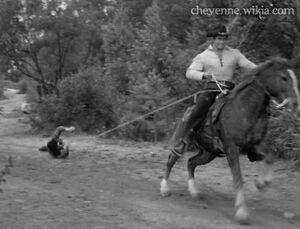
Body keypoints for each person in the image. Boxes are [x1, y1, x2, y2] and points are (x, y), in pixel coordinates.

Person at [171, 23, 259, 159]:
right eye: (218, 39)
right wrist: (203, 75)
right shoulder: (203, 56)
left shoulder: (235, 54)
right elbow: (189, 72)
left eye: (224, 39)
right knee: (199, 109)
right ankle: (185, 140)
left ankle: (251, 146)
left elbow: (248, 65)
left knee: (250, 107)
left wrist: (262, 70)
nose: (221, 42)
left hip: (230, 90)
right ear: (212, 39)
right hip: (212, 89)